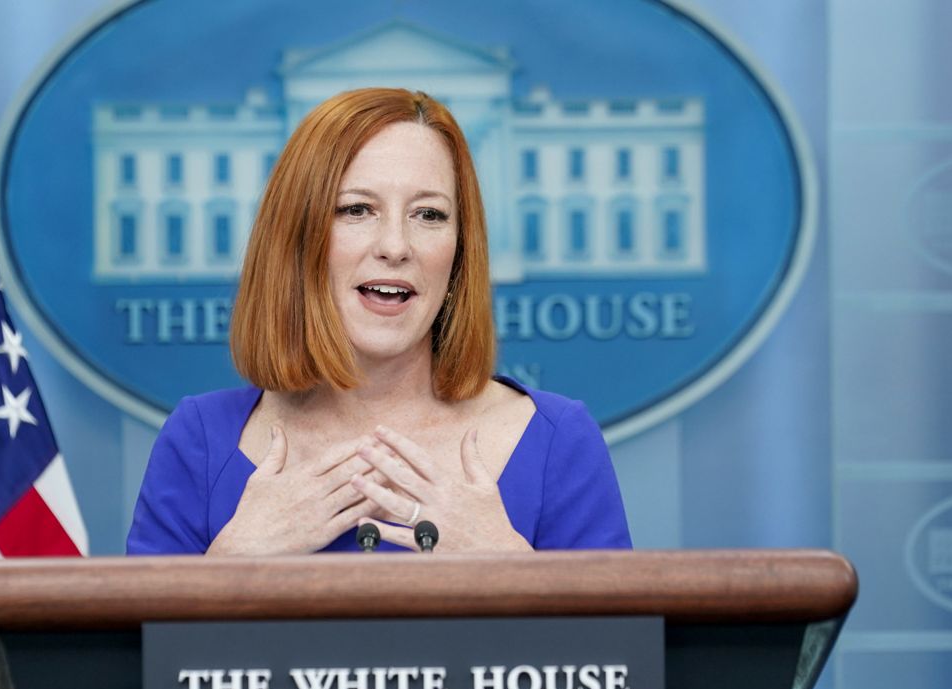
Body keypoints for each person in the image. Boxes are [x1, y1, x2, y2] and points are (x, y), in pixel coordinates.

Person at [127, 88, 631, 555]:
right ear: (297, 243)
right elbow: (147, 651)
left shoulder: (558, 439)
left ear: (457, 255)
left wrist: (514, 575)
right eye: (357, 209)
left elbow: (617, 652)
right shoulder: (199, 441)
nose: (395, 246)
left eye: (428, 215)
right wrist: (232, 568)